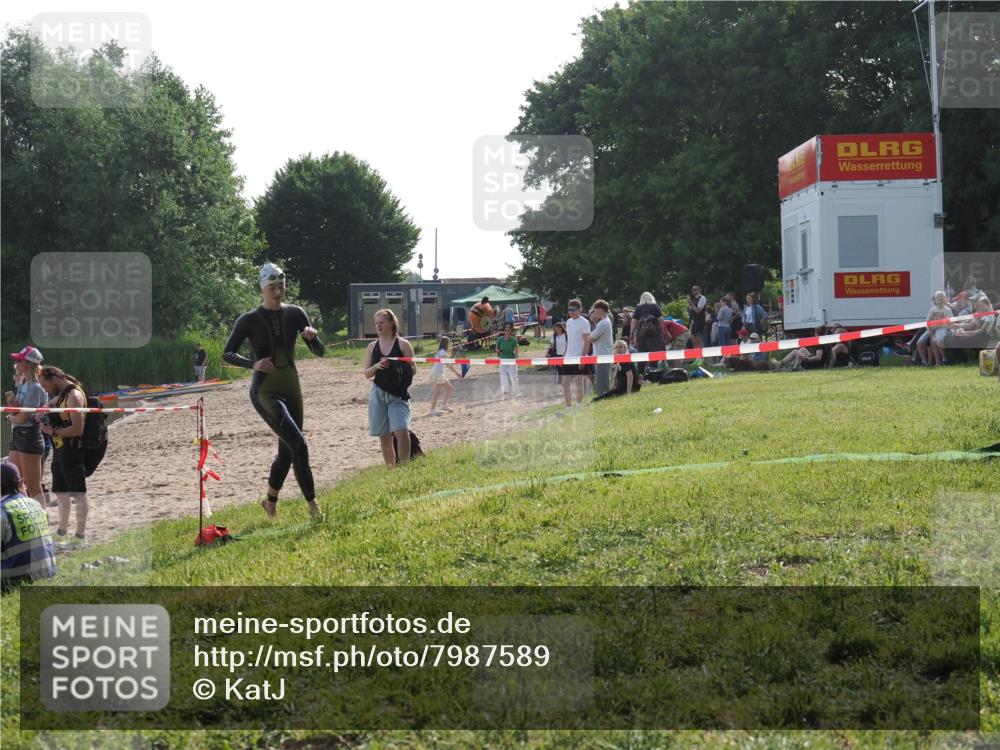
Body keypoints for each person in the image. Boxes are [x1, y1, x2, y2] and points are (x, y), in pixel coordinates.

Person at [223, 263, 325, 518]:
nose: (278, 292)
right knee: (299, 444)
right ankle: (314, 507)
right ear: (262, 289)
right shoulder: (248, 319)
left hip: (291, 387)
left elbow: (320, 352)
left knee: (288, 450)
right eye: (273, 288)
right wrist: (253, 364)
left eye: (281, 286)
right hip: (265, 391)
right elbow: (227, 353)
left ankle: (270, 502)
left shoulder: (296, 313)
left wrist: (313, 338)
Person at [37, 366, 88, 548]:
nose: (46, 390)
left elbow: (77, 429)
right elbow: (51, 403)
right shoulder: (62, 395)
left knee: (78, 494)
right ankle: (61, 533)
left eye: (46, 386)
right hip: (60, 450)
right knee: (61, 493)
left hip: (72, 450)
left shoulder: (74, 396)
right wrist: (43, 410)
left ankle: (80, 537)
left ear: (54, 379)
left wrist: (53, 431)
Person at [363, 308, 417, 468]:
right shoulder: (372, 346)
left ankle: (404, 468)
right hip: (378, 394)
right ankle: (391, 470)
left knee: (402, 430)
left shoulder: (403, 344)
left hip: (398, 394)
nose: (378, 326)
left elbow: (414, 369)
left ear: (391, 323)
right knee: (384, 435)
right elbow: (367, 373)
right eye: (376, 323)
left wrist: (395, 364)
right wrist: (377, 366)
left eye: (382, 322)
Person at [1, 461, 56, 593]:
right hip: (47, 572)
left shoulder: (3, 511)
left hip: (16, 579)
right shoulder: (35, 504)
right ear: (20, 483)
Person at [6, 347, 47, 503]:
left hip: (29, 436)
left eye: (19, 360)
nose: (16, 363)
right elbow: (19, 410)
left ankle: (41, 516)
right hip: (18, 435)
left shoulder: (36, 388)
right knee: (13, 482)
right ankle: (25, 511)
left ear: (28, 364)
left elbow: (23, 418)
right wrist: (12, 403)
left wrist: (10, 418)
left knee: (33, 486)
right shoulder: (24, 383)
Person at [562, 298, 591, 413]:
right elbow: (569, 341)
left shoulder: (585, 322)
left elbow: (587, 342)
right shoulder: (568, 322)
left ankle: (579, 406)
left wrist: (583, 359)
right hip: (568, 357)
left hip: (579, 357)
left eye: (573, 309)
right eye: (569, 309)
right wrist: (564, 356)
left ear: (579, 309)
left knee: (578, 383)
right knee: (565, 384)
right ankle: (569, 408)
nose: (571, 311)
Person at [631, 292, 664, 376]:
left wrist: (631, 333)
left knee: (641, 354)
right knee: (654, 354)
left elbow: (634, 322)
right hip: (654, 335)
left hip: (641, 335)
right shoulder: (655, 306)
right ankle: (653, 373)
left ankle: (640, 374)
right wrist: (661, 330)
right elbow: (661, 320)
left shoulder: (638, 308)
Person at [585, 300, 615, 395]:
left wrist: (591, 338)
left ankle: (604, 396)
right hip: (602, 354)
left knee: (603, 380)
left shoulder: (603, 323)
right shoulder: (604, 321)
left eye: (595, 310)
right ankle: (602, 396)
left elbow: (590, 338)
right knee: (601, 379)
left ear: (600, 310)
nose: (594, 313)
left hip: (602, 354)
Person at [428, 336, 461, 416]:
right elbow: (447, 364)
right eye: (448, 343)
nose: (449, 344)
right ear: (446, 343)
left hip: (438, 373)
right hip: (438, 373)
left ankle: (443, 405)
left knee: (449, 388)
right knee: (438, 391)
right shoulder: (442, 352)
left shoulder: (441, 351)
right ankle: (433, 409)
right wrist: (456, 373)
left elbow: (446, 362)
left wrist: (449, 357)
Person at [495, 323, 520, 398]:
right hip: (502, 359)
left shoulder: (514, 339)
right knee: (503, 375)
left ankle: (516, 390)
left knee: (513, 376)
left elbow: (516, 350)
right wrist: (498, 350)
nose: (507, 332)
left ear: (511, 331)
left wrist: (516, 359)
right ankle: (505, 391)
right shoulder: (500, 339)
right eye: (506, 330)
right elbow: (496, 348)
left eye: (508, 330)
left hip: (511, 359)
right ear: (504, 331)